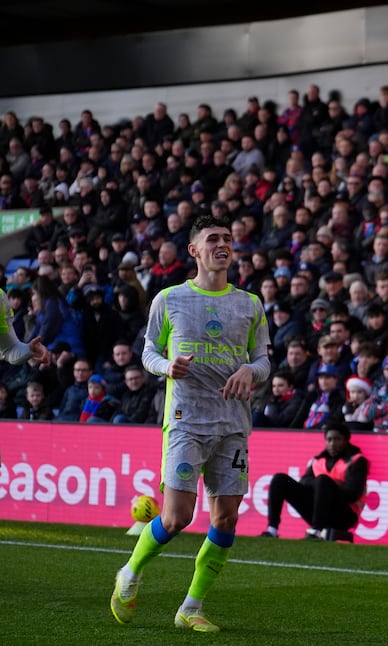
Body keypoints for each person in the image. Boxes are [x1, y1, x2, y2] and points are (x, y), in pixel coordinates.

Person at [110, 215, 272, 634]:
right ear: (194, 251)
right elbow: (147, 353)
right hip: (185, 421)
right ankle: (129, 574)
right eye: (213, 239)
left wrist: (250, 373)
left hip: (234, 423)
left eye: (227, 239)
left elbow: (264, 359)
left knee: (226, 520)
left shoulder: (250, 304)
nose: (223, 245)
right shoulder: (169, 299)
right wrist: (168, 366)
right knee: (178, 516)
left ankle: (191, 606)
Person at [262, 421, 369, 542]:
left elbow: (353, 494)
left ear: (346, 440)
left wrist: (328, 485)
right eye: (329, 440)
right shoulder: (318, 460)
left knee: (323, 480)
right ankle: (272, 529)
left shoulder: (356, 461)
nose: (332, 444)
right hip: (318, 510)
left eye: (337, 439)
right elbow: (304, 482)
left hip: (345, 515)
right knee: (280, 479)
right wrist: (323, 485)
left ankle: (316, 531)